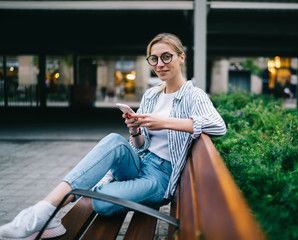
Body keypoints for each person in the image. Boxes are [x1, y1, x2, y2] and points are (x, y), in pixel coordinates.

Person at [0, 33, 226, 240]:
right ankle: (42, 213)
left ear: (181, 58)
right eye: (154, 59)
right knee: (113, 141)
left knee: (100, 202)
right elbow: (140, 145)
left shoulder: (193, 95)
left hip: (161, 178)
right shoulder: (151, 95)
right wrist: (135, 130)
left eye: (166, 57)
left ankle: (89, 188)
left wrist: (164, 122)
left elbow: (218, 126)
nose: (160, 64)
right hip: (140, 162)